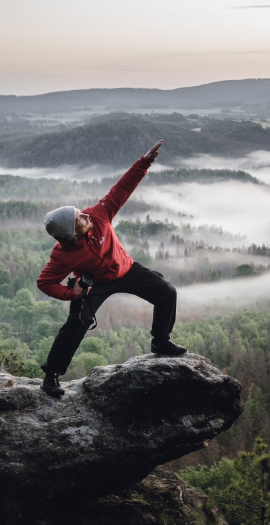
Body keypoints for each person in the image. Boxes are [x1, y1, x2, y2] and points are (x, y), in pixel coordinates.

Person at [36, 140, 186, 397]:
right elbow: (45, 283)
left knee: (166, 292)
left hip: (125, 270)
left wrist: (144, 162)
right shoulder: (62, 255)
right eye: (79, 219)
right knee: (76, 324)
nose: (85, 215)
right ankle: (51, 375)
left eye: (80, 213)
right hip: (95, 283)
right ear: (71, 234)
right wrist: (72, 294)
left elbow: (121, 189)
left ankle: (160, 342)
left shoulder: (98, 214)